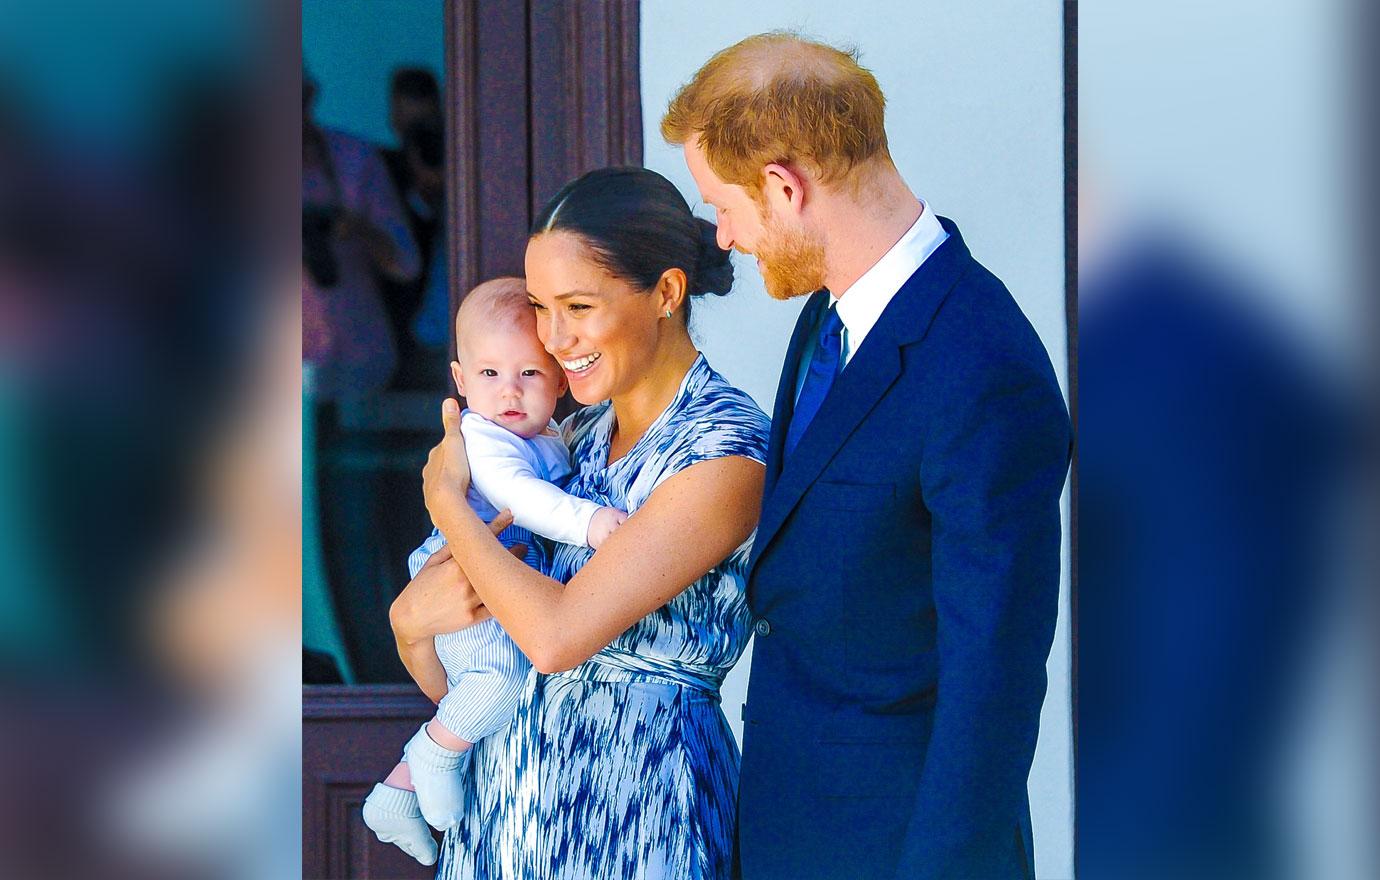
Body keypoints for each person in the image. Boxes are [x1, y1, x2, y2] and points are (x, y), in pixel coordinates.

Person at [661, 33, 1072, 879]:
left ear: (784, 185)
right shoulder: (826, 321)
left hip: (899, 849)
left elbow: (993, 675)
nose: (724, 237)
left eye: (722, 205)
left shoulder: (983, 364)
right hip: (789, 831)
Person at [389, 166, 770, 879]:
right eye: (539, 306)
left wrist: (447, 504)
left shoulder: (724, 447)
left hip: (638, 809)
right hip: (507, 813)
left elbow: (557, 638)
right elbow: (474, 676)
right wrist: (408, 625)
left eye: (578, 306)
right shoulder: (569, 438)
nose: (553, 338)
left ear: (665, 293)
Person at [361, 277, 628, 865]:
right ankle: (432, 754)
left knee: (491, 680)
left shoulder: (552, 434)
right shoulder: (482, 440)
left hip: (493, 572)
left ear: (561, 378)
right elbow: (522, 498)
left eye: (529, 374)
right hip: (462, 569)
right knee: (500, 681)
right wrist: (589, 523)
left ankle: (398, 792)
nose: (508, 391)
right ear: (459, 380)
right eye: (488, 375)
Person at [302, 72, 420, 401]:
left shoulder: (354, 160)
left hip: (356, 364)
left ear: (310, 95)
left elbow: (407, 263)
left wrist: (358, 229)